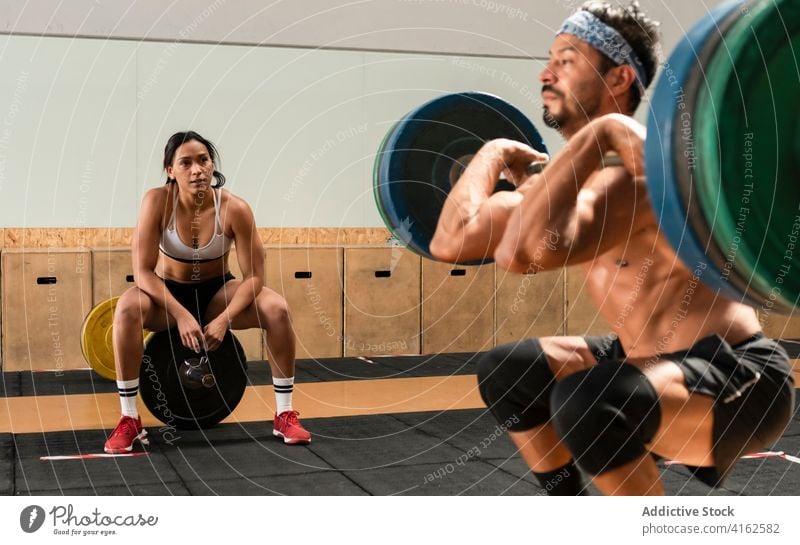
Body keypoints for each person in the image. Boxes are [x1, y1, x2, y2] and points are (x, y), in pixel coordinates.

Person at [430, 1, 794, 495]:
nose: (546, 72)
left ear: (619, 78)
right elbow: (450, 240)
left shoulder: (649, 172)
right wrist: (492, 150)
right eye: (549, 59)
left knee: (590, 402)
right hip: (642, 365)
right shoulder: (568, 182)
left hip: (739, 379)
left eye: (567, 60)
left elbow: (519, 253)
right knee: (509, 372)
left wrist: (601, 133)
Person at [104, 131, 311, 453]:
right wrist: (181, 314)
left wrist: (225, 319)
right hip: (169, 294)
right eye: (185, 163)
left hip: (219, 295)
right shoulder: (157, 201)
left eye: (203, 160)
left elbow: (254, 275)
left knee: (277, 309)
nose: (197, 170)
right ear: (170, 170)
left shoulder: (235, 208)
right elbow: (143, 271)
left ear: (212, 164)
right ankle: (129, 419)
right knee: (128, 308)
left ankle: (284, 413)